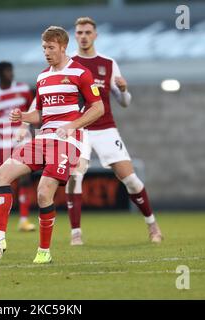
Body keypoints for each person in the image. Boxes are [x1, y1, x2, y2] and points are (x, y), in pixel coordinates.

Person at [0, 26, 104, 264]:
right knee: (0, 176)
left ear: (62, 47)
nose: (47, 52)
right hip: (43, 138)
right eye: (44, 48)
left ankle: (43, 251)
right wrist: (23, 118)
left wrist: (71, 126)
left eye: (51, 48)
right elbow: (41, 114)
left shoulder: (81, 73)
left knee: (43, 193)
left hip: (68, 141)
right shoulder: (42, 77)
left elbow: (98, 108)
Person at [66, 16, 163, 245]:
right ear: (75, 35)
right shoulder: (69, 64)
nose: (83, 36)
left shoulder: (107, 63)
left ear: (95, 35)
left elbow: (125, 102)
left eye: (88, 32)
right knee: (75, 177)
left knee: (131, 179)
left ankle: (152, 225)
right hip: (80, 130)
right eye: (79, 32)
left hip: (105, 128)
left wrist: (124, 89)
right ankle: (76, 234)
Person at [0, 62, 36, 232]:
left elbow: (33, 112)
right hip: (1, 143)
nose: (10, 73)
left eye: (11, 70)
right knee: (1, 181)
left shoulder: (23, 89)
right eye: (7, 71)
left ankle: (24, 219)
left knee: (24, 179)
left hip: (22, 139)